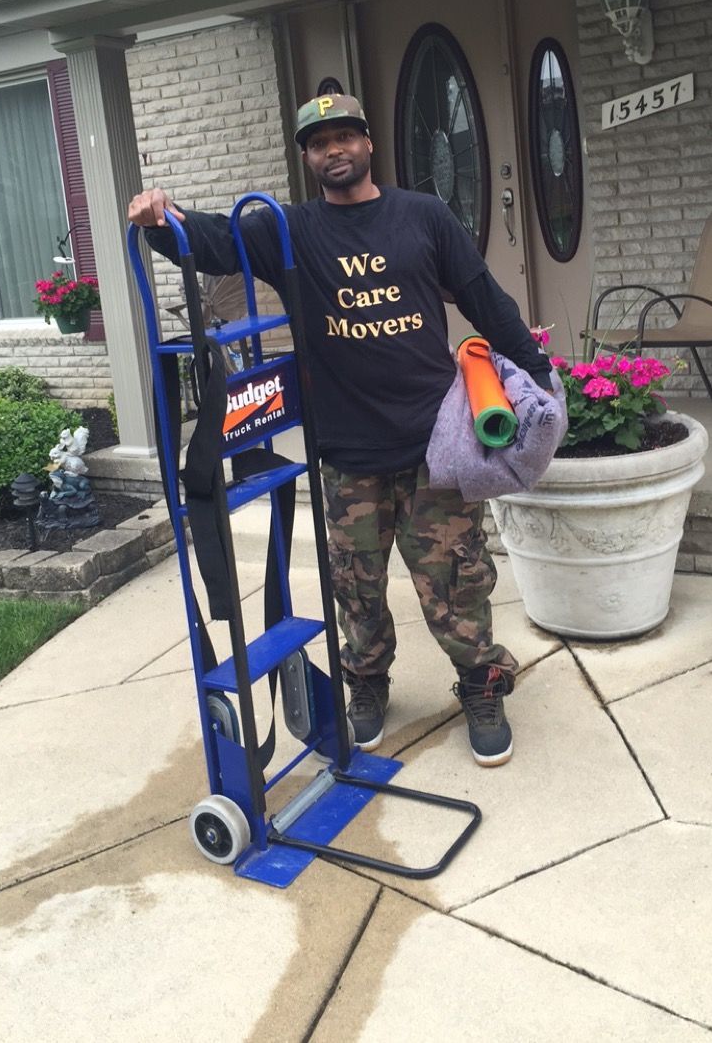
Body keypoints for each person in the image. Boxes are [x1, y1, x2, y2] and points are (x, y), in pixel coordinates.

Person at [128, 93, 552, 767]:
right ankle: (367, 683)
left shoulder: (423, 215)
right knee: (356, 583)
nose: (334, 150)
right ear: (306, 156)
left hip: (434, 440)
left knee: (456, 576)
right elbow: (213, 242)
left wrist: (538, 371)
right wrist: (162, 218)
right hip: (348, 448)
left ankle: (481, 680)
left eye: (345, 136)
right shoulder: (289, 230)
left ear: (368, 143)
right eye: (319, 142)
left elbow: (481, 295)